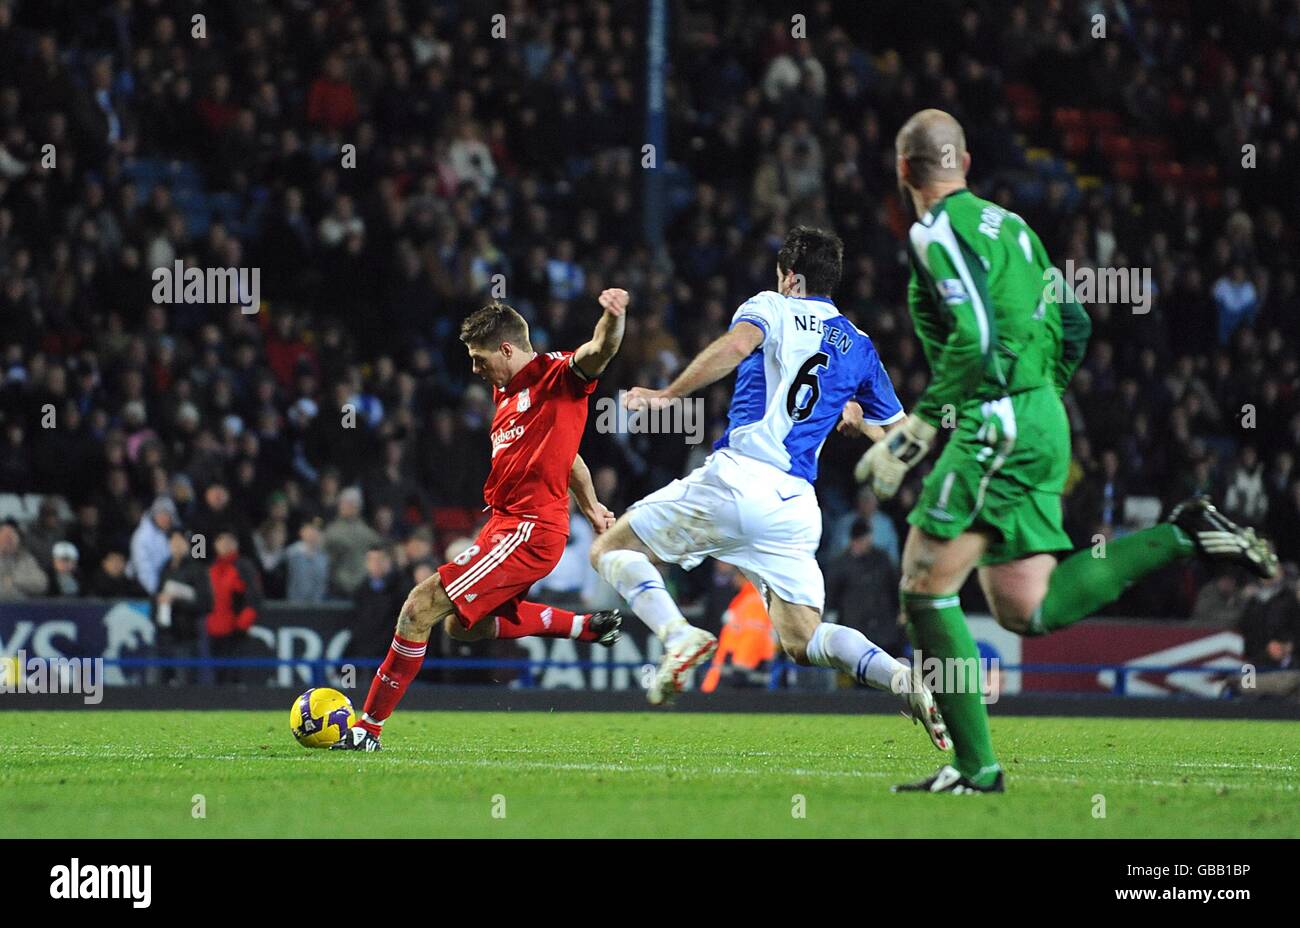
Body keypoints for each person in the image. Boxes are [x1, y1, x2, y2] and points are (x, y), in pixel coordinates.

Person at [856, 109, 1279, 793]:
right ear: (963, 163)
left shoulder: (933, 231)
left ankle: (975, 768)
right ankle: (1184, 532)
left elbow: (977, 336)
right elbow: (1073, 320)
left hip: (996, 419)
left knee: (924, 584)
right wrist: (1040, 399)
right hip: (1037, 415)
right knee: (1027, 606)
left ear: (904, 170)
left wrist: (923, 426)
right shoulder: (1015, 230)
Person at [586, 226, 949, 751]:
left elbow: (736, 345)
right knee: (803, 639)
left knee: (609, 549)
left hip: (742, 478)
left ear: (791, 277)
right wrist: (856, 421)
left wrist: (669, 393)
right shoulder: (861, 345)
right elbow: (900, 436)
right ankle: (900, 677)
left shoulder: (774, 305)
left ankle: (677, 634)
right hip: (796, 506)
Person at [336, 294, 628, 750]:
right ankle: (581, 627)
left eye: (479, 359)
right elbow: (567, 454)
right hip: (503, 524)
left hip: (530, 529)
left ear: (507, 350)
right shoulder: (506, 391)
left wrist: (614, 316)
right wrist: (590, 504)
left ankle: (365, 730)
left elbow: (600, 351)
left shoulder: (559, 377)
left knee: (418, 607)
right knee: (460, 626)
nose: (474, 370)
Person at [824, 518, 901, 655]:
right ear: (855, 540)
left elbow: (894, 586)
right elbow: (831, 596)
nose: (868, 542)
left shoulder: (881, 559)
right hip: (854, 628)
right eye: (865, 539)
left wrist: (900, 610)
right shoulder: (840, 564)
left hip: (883, 628)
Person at [153, 529, 213, 685]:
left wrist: (177, 600)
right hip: (164, 635)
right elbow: (156, 597)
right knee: (159, 685)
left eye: (180, 541)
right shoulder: (165, 568)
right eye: (173, 541)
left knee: (185, 685)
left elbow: (206, 604)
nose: (177, 545)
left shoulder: (196, 570)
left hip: (187, 637)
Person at [206, 531, 262, 685]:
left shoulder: (244, 566)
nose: (224, 546)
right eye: (221, 542)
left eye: (228, 542)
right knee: (217, 670)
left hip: (234, 628)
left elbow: (254, 596)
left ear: (235, 545)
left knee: (234, 668)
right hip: (214, 627)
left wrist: (243, 622)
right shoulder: (212, 566)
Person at [0, 519, 48, 600]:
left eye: (12, 537)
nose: (10, 541)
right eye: (6, 538)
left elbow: (41, 584)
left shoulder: (26, 559)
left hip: (22, 607)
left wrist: (13, 580)